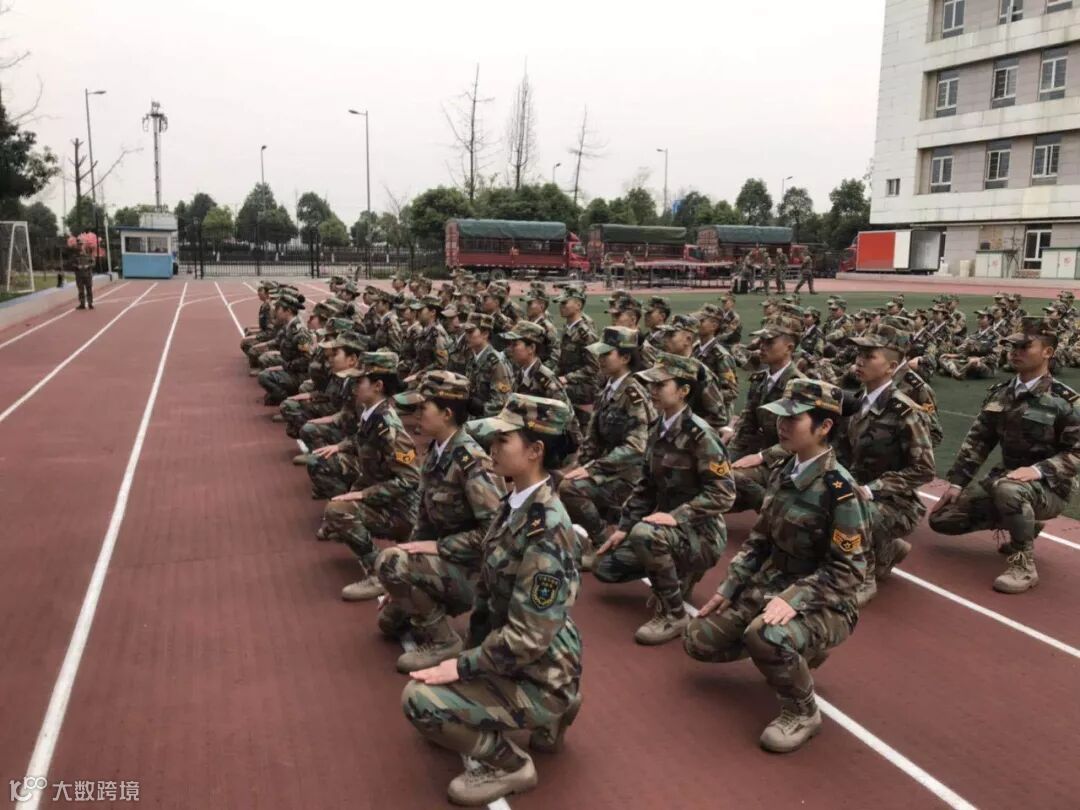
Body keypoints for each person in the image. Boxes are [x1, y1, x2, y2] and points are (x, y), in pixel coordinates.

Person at [402, 394, 582, 807]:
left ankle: (512, 765)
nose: (492, 449)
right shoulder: (516, 502)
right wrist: (468, 659)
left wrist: (462, 665)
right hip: (522, 655)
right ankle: (558, 707)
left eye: (503, 441)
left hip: (539, 671)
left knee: (418, 700)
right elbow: (490, 601)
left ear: (535, 451)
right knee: (436, 702)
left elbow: (528, 637)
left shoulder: (546, 528)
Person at [684, 378, 869, 753]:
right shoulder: (785, 469)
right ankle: (796, 651)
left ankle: (802, 711)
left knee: (766, 635)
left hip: (826, 602)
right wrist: (730, 587)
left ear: (824, 426)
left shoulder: (840, 491)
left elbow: (849, 572)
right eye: (781, 417)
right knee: (698, 639)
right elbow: (760, 539)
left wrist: (794, 599)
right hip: (771, 584)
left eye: (793, 419)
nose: (781, 426)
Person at [929, 318, 1080, 594]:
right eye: (1012, 346)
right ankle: (1025, 522)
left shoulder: (1064, 401)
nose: (1015, 352)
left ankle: (1023, 563)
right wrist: (957, 483)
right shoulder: (1001, 393)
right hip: (1006, 479)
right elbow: (979, 441)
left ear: (1048, 352)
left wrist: (1038, 470)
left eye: (1024, 347)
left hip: (1051, 487)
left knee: (1010, 490)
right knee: (942, 519)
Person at [595, 352, 735, 645]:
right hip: (668, 529)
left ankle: (674, 614)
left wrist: (676, 516)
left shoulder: (701, 437)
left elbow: (724, 494)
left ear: (683, 391)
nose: (652, 390)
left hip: (701, 534)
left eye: (660, 385)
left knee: (645, 535)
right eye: (651, 385)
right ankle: (679, 573)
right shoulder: (657, 428)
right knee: (605, 568)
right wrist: (623, 528)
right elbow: (646, 486)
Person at [375, 371, 505, 671]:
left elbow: (494, 532)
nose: (416, 414)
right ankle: (418, 600)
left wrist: (437, 548)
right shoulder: (436, 452)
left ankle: (444, 641)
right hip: (449, 560)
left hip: (475, 572)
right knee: (388, 620)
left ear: (447, 414)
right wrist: (403, 569)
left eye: (423, 408)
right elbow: (424, 521)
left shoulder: (470, 460)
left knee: (390, 562)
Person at [310, 351, 421, 601]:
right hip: (387, 499)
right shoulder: (372, 413)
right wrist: (340, 447)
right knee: (339, 503)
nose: (354, 385)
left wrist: (363, 495)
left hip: (402, 510)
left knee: (337, 511)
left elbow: (410, 480)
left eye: (360, 381)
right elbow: (363, 443)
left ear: (378, 386)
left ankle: (378, 574)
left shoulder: (388, 425)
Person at [837, 325, 935, 605]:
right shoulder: (856, 403)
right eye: (859, 354)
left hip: (895, 503)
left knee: (850, 513)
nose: (859, 361)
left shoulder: (904, 411)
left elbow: (924, 469)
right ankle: (887, 549)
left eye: (870, 356)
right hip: (858, 492)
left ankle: (865, 576)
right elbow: (842, 454)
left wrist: (872, 489)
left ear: (892, 367)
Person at [559, 326, 654, 571]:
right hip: (609, 470)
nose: (600, 359)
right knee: (558, 479)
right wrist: (580, 465)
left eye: (606, 354)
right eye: (600, 354)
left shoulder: (632, 393)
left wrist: (592, 469)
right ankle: (606, 523)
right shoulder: (610, 387)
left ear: (625, 357)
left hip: (629, 475)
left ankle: (602, 543)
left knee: (570, 489)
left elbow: (636, 447)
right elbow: (592, 439)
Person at [725, 325, 804, 513]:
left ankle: (775, 514)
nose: (762, 346)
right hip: (764, 453)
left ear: (789, 348)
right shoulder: (760, 380)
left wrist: (761, 457)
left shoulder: (799, 385)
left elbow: (799, 440)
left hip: (789, 461)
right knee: (714, 472)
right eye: (761, 341)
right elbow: (746, 426)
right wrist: (726, 457)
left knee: (734, 476)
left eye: (769, 342)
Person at [256, 293, 314, 406]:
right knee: (267, 365)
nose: (275, 311)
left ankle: (284, 399)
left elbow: (306, 360)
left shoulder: (300, 331)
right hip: (292, 369)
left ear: (288, 311)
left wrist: (284, 367)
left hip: (300, 374)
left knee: (264, 376)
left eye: (278, 309)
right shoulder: (289, 326)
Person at [555, 284, 600, 427]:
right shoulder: (569, 328)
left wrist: (567, 378)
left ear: (578, 305)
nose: (561, 306)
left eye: (564, 303)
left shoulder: (585, 333)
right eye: (560, 303)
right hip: (569, 383)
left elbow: (594, 367)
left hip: (583, 388)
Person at [463, 313, 514, 418]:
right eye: (466, 331)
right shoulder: (472, 357)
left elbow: (502, 402)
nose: (466, 336)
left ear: (485, 334)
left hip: (487, 421)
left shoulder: (496, 363)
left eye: (471, 332)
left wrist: (480, 408)